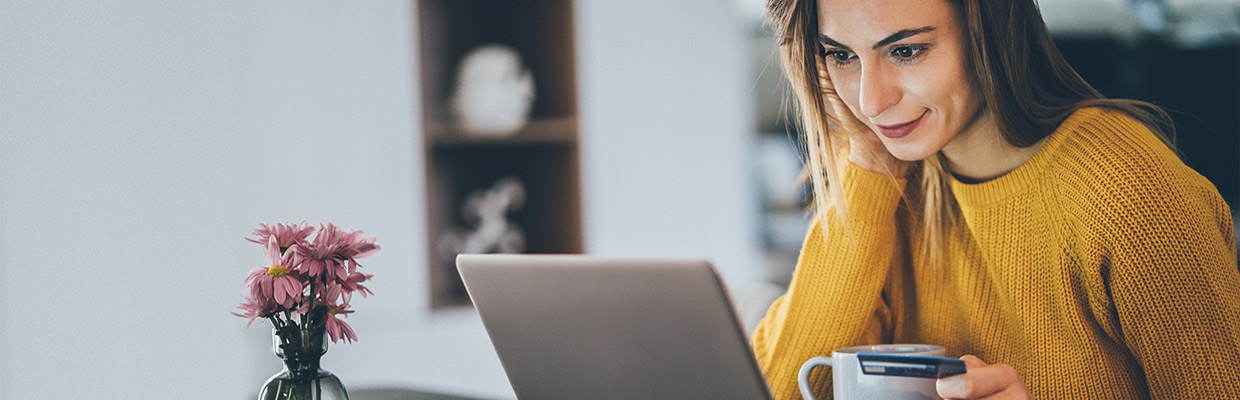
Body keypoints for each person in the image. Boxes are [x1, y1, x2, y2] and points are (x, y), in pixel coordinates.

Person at [750, 0, 1240, 398]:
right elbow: (777, 387)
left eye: (906, 52)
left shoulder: (1127, 189)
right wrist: (867, 165)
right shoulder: (892, 182)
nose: (870, 101)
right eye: (841, 56)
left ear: (988, 31)